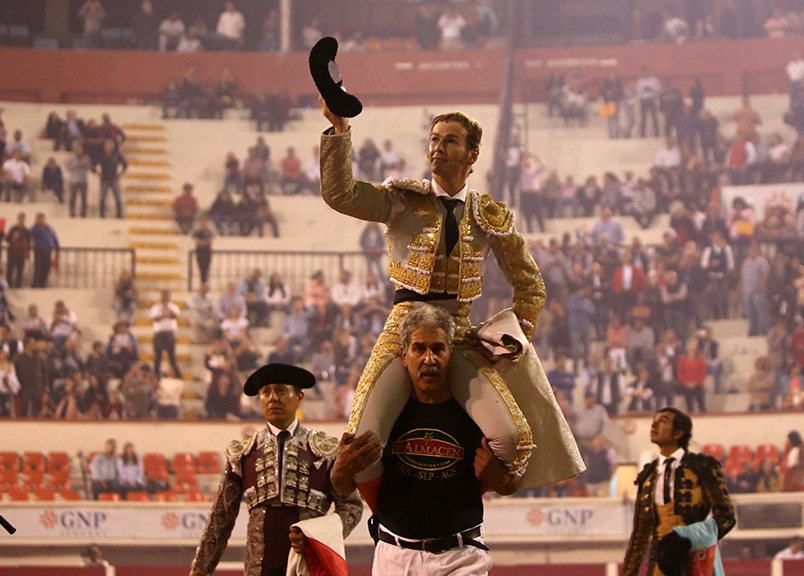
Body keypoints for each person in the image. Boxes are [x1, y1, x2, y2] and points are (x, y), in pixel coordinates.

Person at [319, 100, 579, 507]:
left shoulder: (490, 215)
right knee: (363, 443)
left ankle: (459, 504)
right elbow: (340, 193)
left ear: (473, 154)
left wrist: (510, 338)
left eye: (450, 141)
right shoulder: (401, 199)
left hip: (458, 333)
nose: (438, 147)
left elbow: (531, 286)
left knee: (512, 439)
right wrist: (339, 131)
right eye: (434, 139)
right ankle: (388, 514)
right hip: (403, 330)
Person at [329, 305, 524, 576]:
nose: (429, 359)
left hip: (461, 557)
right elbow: (342, 485)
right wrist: (340, 469)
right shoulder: (385, 416)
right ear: (404, 356)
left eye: (438, 349)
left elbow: (513, 481)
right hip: (394, 556)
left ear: (451, 354)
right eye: (419, 349)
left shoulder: (478, 414)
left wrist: (500, 478)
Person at [189, 363, 363, 576]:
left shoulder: (325, 450)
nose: (273, 398)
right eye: (265, 392)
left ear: (299, 396)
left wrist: (318, 536)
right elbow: (221, 516)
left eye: (281, 390)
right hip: (259, 568)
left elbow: (351, 506)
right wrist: (201, 569)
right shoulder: (243, 453)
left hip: (310, 565)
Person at [623, 408, 735, 576]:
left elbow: (726, 516)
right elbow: (640, 536)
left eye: (663, 421)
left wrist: (690, 537)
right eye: (654, 421)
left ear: (678, 433)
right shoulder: (647, 475)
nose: (654, 425)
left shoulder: (702, 467)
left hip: (695, 559)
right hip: (661, 564)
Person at [149, 289, 181, 379]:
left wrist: (168, 310)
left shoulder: (174, 307)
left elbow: (176, 316)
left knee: (172, 356)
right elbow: (154, 319)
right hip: (159, 333)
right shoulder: (156, 307)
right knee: (158, 356)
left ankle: (177, 375)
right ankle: (156, 376)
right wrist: (164, 314)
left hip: (169, 333)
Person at [94, 139, 127, 219]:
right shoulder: (101, 155)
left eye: (110, 145)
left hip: (114, 178)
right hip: (104, 178)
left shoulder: (116, 154)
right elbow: (95, 164)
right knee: (103, 197)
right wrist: (97, 172)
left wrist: (121, 173)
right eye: (107, 145)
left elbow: (125, 164)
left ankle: (119, 214)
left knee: (117, 197)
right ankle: (102, 214)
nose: (108, 146)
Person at [30, 213, 59, 289]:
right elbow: (30, 235)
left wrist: (57, 248)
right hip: (39, 250)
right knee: (38, 267)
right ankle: (36, 284)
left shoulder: (49, 228)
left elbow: (54, 238)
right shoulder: (35, 228)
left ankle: (43, 283)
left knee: (47, 267)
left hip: (48, 251)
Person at [192, 216, 214, 285]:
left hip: (207, 252)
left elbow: (210, 241)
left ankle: (205, 283)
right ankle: (202, 283)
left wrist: (202, 242)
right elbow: (197, 241)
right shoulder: (197, 232)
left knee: (207, 268)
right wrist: (204, 243)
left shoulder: (209, 232)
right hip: (200, 252)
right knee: (201, 268)